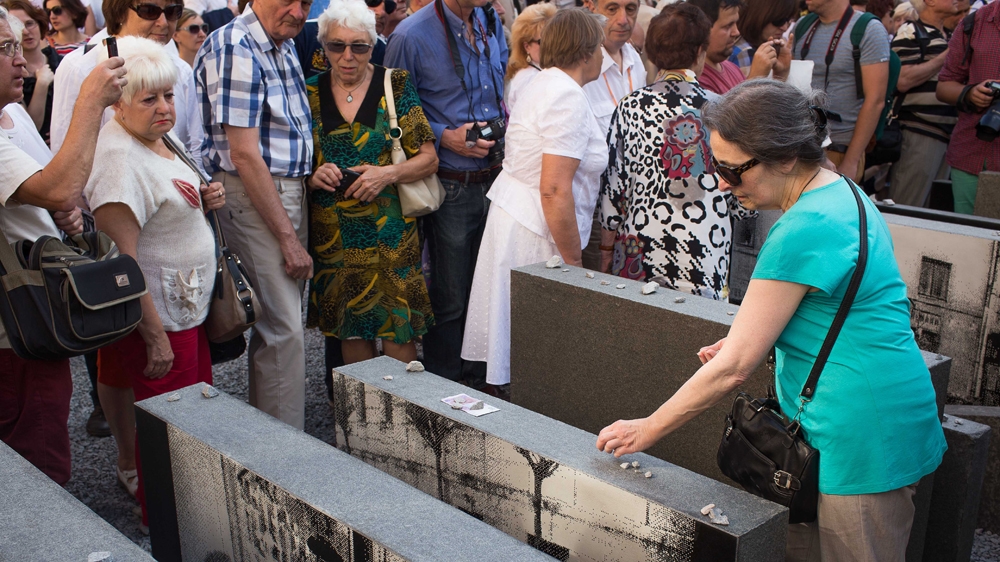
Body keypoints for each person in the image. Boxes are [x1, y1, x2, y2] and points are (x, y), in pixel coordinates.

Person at [596, 79, 946, 561]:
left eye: (732, 170)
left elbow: (735, 367)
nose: (720, 181)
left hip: (860, 436)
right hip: (870, 416)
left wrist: (647, 429)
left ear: (784, 158)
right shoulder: (840, 192)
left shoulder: (802, 227)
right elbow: (832, 306)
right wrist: (761, 337)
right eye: (714, 165)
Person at [86, 35, 224, 534]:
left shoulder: (156, 137)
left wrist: (205, 197)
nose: (165, 107)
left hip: (182, 307)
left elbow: (169, 198)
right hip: (162, 316)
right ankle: (176, 527)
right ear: (118, 105)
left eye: (168, 95)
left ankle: (176, 512)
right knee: (174, 431)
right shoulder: (120, 161)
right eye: (150, 99)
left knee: (182, 421)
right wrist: (155, 335)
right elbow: (122, 265)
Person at [0, 6, 127, 485]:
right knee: (36, 463)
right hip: (14, 331)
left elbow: (47, 186)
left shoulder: (11, 113)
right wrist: (90, 103)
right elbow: (56, 186)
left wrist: (61, 211)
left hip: (32, 315)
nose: (22, 61)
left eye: (18, 46)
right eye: (5, 49)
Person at [463, 8, 607, 387]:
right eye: (601, 48)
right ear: (586, 51)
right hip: (537, 233)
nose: (604, 57)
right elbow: (554, 188)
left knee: (528, 354)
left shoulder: (546, 84)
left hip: (521, 221)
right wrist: (573, 262)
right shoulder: (565, 95)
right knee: (540, 357)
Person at [196, 0, 314, 429]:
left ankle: (277, 445)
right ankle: (284, 463)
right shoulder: (235, 45)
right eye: (290, 0)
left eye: (306, 2)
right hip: (255, 192)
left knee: (281, 328)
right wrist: (287, 238)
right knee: (284, 332)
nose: (300, 12)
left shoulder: (277, 42)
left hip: (279, 190)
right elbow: (244, 155)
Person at [306, 0, 437, 367]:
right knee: (353, 332)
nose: (348, 56)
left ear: (374, 42)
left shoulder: (393, 83)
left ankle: (405, 420)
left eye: (359, 46)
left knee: (399, 332)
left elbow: (429, 158)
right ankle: (362, 422)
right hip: (336, 239)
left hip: (390, 234)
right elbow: (295, 165)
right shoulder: (309, 93)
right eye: (337, 45)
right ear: (324, 46)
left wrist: (386, 174)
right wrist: (313, 176)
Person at [384, 0, 507, 391]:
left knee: (486, 289)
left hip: (496, 178)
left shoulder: (490, 21)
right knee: (451, 296)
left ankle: (481, 380)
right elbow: (391, 107)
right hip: (451, 183)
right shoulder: (410, 34)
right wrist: (444, 135)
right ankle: (446, 389)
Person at [599, 3, 745, 299]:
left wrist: (605, 248)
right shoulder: (724, 110)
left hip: (639, 247)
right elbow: (741, 195)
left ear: (652, 52)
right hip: (704, 248)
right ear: (699, 51)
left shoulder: (630, 106)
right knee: (698, 337)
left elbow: (614, 191)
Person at [50, 0, 203, 166]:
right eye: (149, 11)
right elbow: (65, 153)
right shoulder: (80, 68)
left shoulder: (181, 69)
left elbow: (193, 144)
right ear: (120, 13)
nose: (163, 22)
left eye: (172, 12)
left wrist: (201, 186)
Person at [793, 0, 890, 183]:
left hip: (841, 149)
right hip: (802, 148)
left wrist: (851, 161)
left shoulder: (868, 29)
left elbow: (875, 100)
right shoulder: (802, 26)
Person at [889, 0, 959, 207]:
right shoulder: (910, 30)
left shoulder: (949, 35)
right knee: (908, 206)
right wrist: (947, 56)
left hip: (947, 135)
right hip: (920, 131)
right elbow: (902, 80)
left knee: (932, 210)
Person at [935, 0, 1000, 214]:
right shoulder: (975, 22)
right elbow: (944, 86)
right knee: (968, 239)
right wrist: (970, 93)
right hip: (972, 152)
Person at [689, 0, 790, 95]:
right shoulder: (694, 78)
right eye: (728, 26)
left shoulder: (733, 69)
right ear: (702, 28)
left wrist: (780, 76)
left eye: (736, 23)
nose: (736, 32)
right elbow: (729, 113)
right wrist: (756, 78)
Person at [5, 0, 60, 143]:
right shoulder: (9, 72)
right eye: (18, 25)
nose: (26, 31)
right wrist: (41, 85)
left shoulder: (61, 62)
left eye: (29, 23)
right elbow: (29, 127)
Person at [505, 3, 555, 113]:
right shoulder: (527, 79)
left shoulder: (545, 69)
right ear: (526, 46)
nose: (550, 45)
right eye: (542, 42)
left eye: (553, 39)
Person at [728, 0, 797, 77]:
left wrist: (782, 74)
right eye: (779, 20)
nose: (784, 28)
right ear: (758, 16)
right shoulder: (745, 53)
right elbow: (752, 88)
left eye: (788, 21)